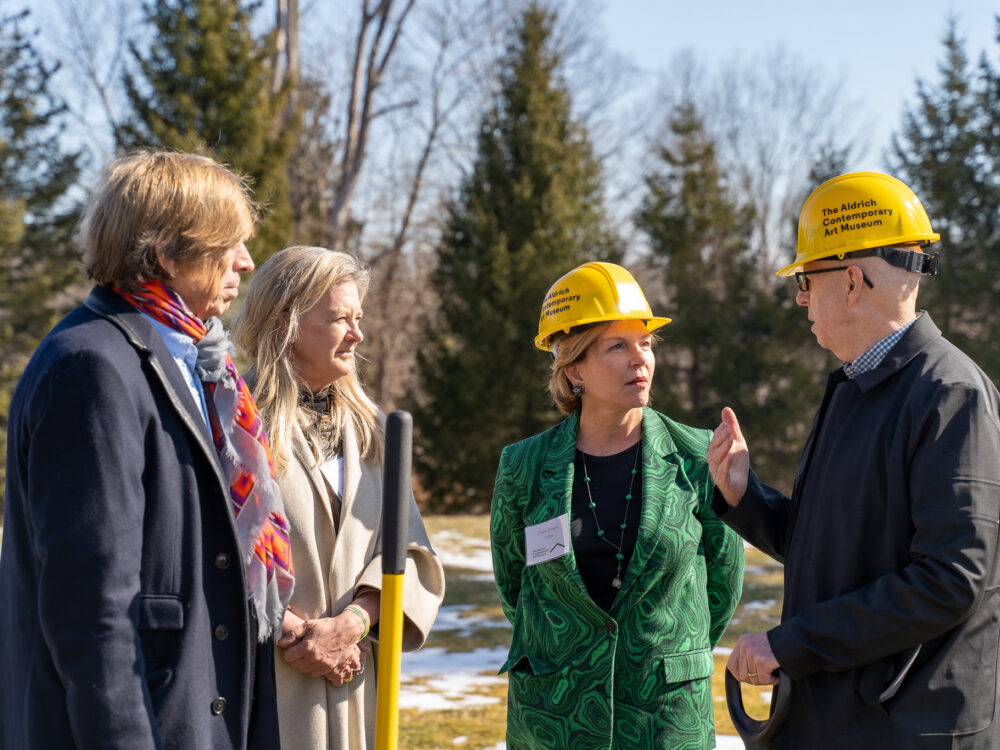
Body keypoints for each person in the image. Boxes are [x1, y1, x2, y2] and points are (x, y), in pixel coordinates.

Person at [0, 151, 293, 749]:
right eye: (226, 245)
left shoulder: (189, 357)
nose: (246, 261)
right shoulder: (91, 366)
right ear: (166, 253)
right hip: (143, 722)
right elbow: (92, 610)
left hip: (192, 708)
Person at [708, 172, 1000, 748]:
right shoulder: (855, 387)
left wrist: (791, 644)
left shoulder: (951, 395)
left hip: (908, 730)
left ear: (850, 281)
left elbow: (950, 579)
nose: (799, 298)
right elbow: (839, 551)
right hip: (843, 720)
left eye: (806, 281)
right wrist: (748, 497)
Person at [491, 261, 744, 749]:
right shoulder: (524, 465)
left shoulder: (697, 455)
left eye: (646, 343)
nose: (641, 360)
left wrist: (663, 654)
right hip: (556, 716)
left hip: (666, 718)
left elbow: (724, 582)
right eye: (618, 347)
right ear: (574, 369)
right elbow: (515, 586)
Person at [232, 245, 445, 750]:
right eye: (340, 319)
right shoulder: (234, 425)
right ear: (285, 323)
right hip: (268, 685)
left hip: (356, 684)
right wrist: (299, 636)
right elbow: (210, 550)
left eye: (358, 318)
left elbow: (411, 556)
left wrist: (352, 624)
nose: (359, 334)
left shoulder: (374, 433)